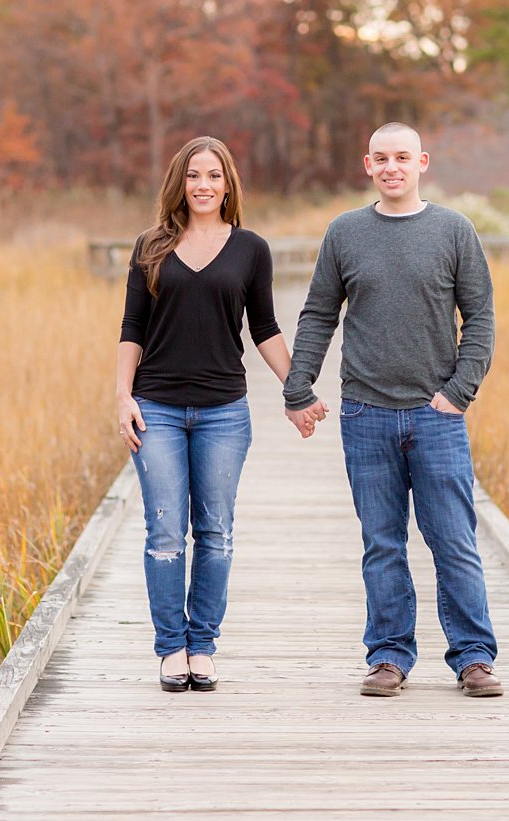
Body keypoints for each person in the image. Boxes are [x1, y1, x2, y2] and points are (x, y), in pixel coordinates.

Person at [283, 122, 502, 698]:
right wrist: (297, 386)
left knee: (453, 539)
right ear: (368, 164)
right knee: (382, 543)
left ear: (422, 162)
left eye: (402, 157)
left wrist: (459, 392)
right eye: (381, 158)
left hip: (437, 416)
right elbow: (318, 315)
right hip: (365, 413)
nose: (392, 167)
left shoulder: (454, 231)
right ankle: (388, 657)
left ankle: (474, 657)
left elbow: (480, 318)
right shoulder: (346, 233)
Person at [117, 136, 310, 693]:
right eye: (193, 175)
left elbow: (266, 328)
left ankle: (202, 645)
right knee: (164, 534)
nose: (203, 185)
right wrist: (122, 396)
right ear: (179, 182)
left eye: (214, 175)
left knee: (216, 532)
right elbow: (132, 328)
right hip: (156, 408)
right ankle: (170, 648)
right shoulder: (150, 246)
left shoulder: (251, 249)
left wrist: (297, 390)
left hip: (225, 411)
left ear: (229, 185)